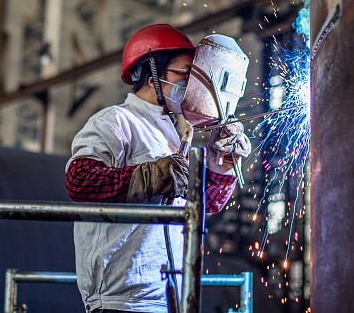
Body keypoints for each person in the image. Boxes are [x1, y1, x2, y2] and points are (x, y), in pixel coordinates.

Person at [65, 23, 250, 313]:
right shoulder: (115, 121)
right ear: (152, 75)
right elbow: (80, 181)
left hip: (167, 294)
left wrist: (220, 165)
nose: (192, 84)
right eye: (186, 73)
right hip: (122, 298)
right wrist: (152, 176)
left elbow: (207, 204)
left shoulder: (172, 135)